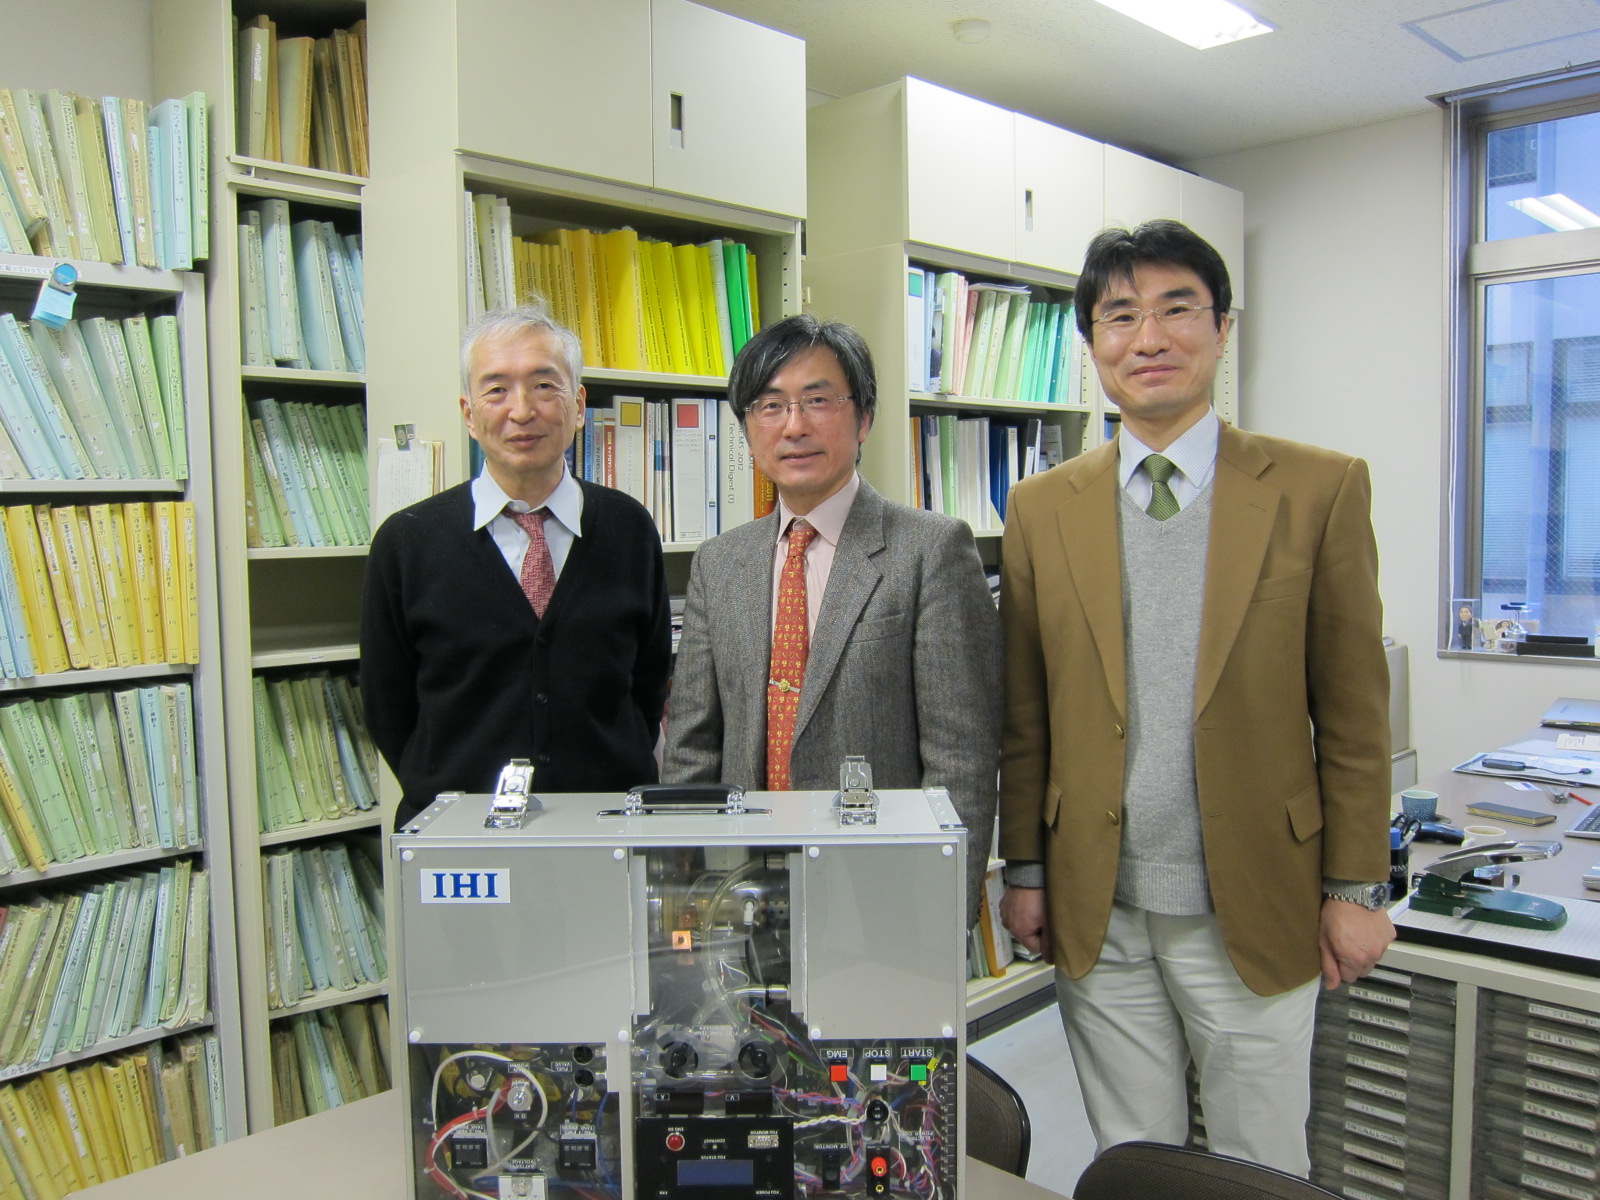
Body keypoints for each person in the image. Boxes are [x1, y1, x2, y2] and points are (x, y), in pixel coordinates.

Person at [998, 220, 1394, 1175]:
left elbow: (1354, 715)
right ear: (1092, 344)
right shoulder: (1041, 506)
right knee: (1137, 1160)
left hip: (1253, 897)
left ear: (1221, 329)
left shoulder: (1318, 488)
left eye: (1178, 309)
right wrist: (1025, 870)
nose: (1149, 338)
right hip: (1100, 902)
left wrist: (1357, 888)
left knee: (1260, 1166)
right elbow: (1026, 715)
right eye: (1119, 316)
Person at [664, 313, 1001, 916]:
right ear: (747, 430)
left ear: (864, 417)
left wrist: (945, 909)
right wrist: (685, 889)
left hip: (882, 892)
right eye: (770, 406)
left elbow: (961, 759)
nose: (794, 426)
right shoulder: (719, 564)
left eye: (817, 401)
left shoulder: (931, 550)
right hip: (744, 889)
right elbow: (692, 749)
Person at [361, 306, 671, 829]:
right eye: (496, 389)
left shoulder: (629, 529)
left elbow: (647, 686)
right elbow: (387, 707)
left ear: (578, 406)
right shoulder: (407, 541)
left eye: (544, 386)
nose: (522, 411)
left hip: (605, 828)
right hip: (458, 834)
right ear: (469, 414)